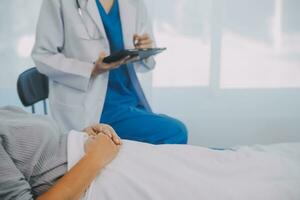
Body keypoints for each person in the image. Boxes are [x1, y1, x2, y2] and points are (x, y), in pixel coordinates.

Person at [1, 106, 299, 200]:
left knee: (217, 164)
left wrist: (86, 132)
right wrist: (95, 157)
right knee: (218, 187)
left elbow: (41, 148)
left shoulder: (5, 111)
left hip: (99, 154)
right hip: (94, 178)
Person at [31, 0, 188, 144]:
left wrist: (144, 49)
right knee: (175, 132)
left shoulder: (134, 3)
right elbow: (43, 55)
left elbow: (146, 65)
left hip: (130, 99)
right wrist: (91, 70)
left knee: (167, 135)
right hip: (95, 108)